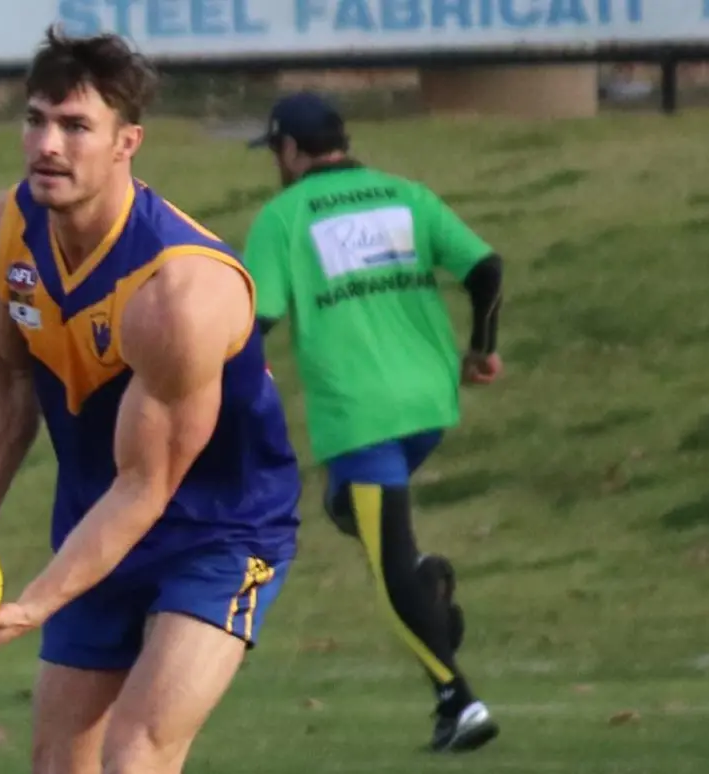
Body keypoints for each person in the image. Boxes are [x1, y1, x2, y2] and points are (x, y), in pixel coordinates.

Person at [0, 28, 302, 773]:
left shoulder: (179, 293)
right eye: (35, 120)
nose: (48, 144)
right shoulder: (2, 232)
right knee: (59, 763)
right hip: (97, 520)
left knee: (135, 755)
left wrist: (34, 604)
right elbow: (7, 371)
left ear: (127, 142)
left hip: (218, 533)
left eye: (75, 126)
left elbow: (146, 483)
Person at [241, 91, 503, 753]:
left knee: (387, 565)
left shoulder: (283, 216)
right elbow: (486, 268)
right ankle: (428, 583)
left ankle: (457, 701)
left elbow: (254, 321)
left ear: (292, 150)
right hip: (426, 400)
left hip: (359, 413)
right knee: (344, 507)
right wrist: (482, 346)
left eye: (275, 149)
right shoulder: (403, 195)